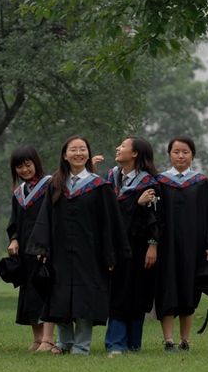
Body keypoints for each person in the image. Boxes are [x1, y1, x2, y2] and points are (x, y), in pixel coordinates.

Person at [26, 135, 130, 355]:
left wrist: (110, 254)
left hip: (89, 253)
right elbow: (45, 217)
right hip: (60, 251)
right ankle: (65, 342)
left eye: (82, 149)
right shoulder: (55, 184)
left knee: (85, 297)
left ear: (88, 154)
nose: (78, 153)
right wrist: (42, 247)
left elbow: (109, 224)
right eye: (73, 149)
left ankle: (81, 345)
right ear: (65, 155)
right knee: (60, 296)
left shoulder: (100, 186)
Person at [154, 136, 208, 352]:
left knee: (189, 289)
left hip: (193, 246)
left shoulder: (202, 182)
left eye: (185, 152)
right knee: (166, 289)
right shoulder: (159, 182)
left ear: (192, 155)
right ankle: (168, 340)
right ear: (169, 154)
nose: (180, 156)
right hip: (166, 246)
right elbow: (154, 216)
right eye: (176, 151)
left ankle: (185, 339)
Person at [103, 137, 160, 355]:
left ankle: (134, 343)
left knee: (137, 292)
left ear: (135, 153)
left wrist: (153, 245)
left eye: (123, 146)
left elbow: (155, 217)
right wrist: (135, 203)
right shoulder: (111, 178)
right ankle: (115, 343)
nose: (118, 148)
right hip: (116, 245)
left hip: (139, 246)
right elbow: (108, 211)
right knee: (117, 291)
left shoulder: (150, 182)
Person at [5, 145, 56, 352]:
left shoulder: (51, 185)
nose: (25, 170)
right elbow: (14, 222)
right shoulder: (19, 193)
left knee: (46, 291)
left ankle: (48, 339)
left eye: (28, 165)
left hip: (45, 249)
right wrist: (14, 239)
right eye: (19, 167)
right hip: (26, 251)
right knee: (30, 294)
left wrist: (47, 247)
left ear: (36, 163)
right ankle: (36, 339)